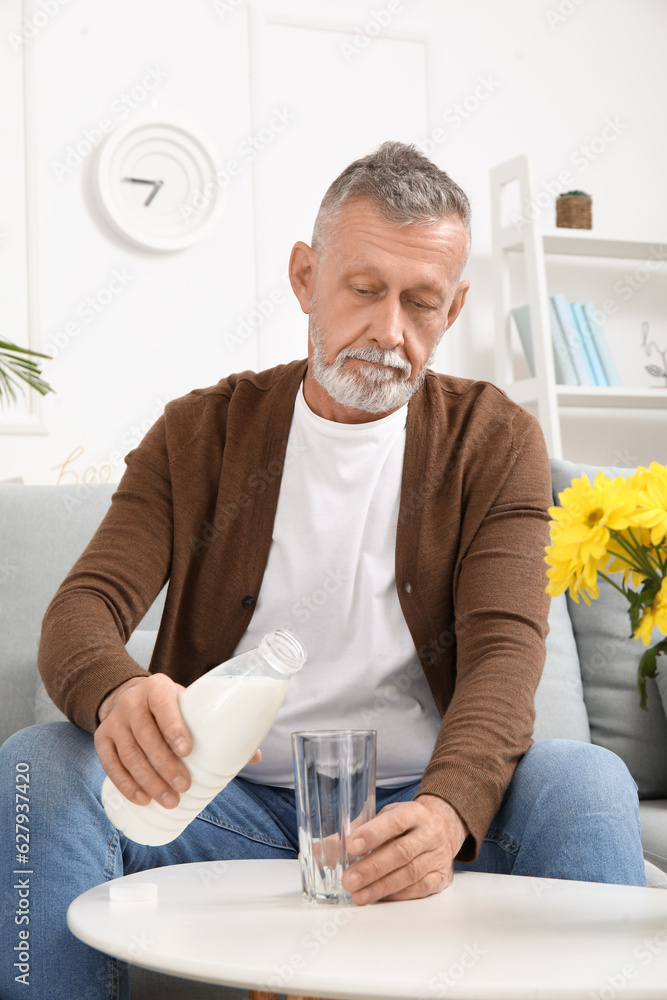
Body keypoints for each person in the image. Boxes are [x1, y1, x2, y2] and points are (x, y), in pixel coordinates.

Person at [0, 141, 645, 1000]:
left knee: (588, 780)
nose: (388, 331)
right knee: (35, 761)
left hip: (420, 803)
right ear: (307, 278)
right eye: (364, 289)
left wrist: (446, 814)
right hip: (219, 804)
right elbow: (85, 606)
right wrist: (117, 692)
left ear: (452, 309)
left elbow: (503, 652)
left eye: (420, 302)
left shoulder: (492, 440)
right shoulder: (198, 433)